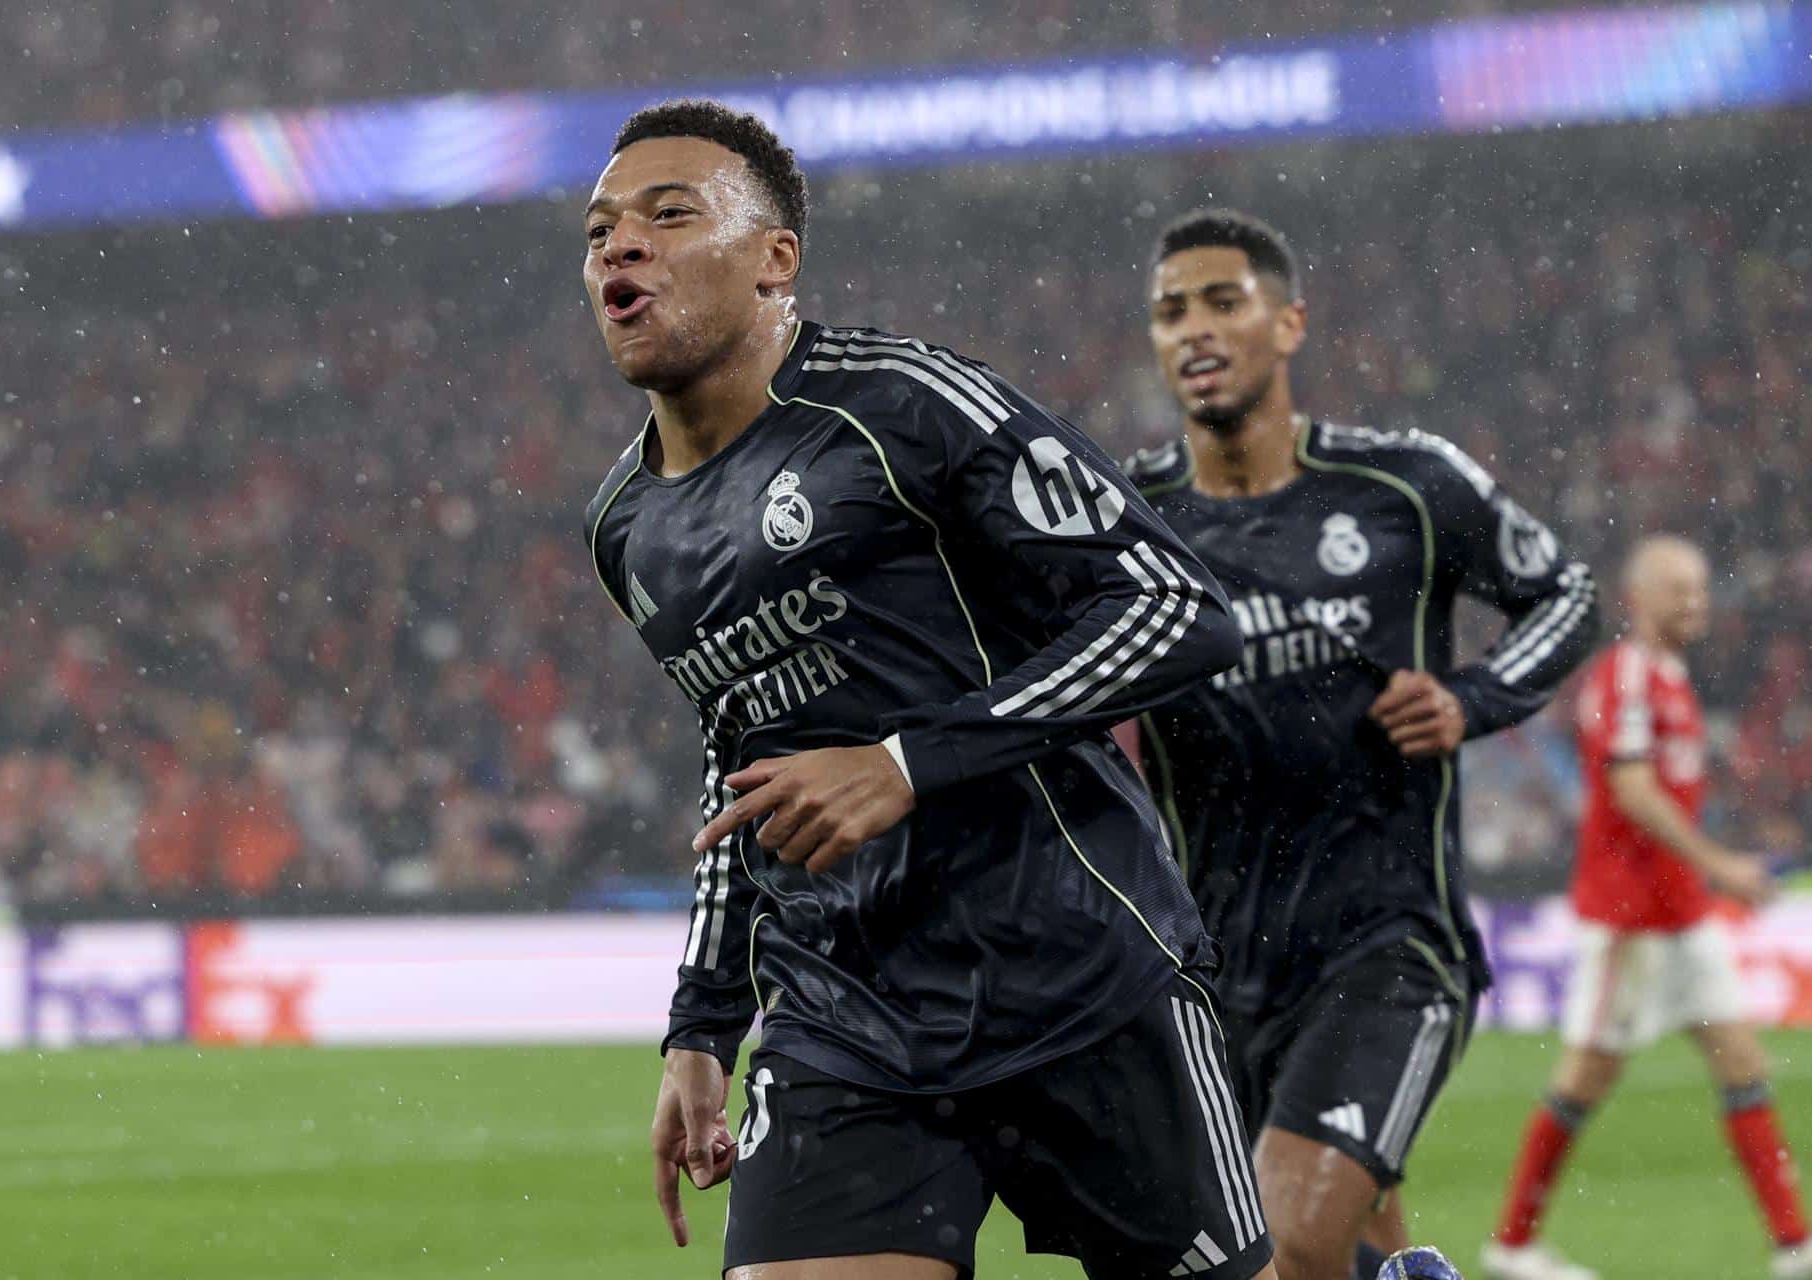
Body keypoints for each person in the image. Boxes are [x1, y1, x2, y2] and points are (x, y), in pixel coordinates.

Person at [580, 101, 1277, 1280]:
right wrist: (700, 1027)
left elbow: (1174, 606)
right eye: (599, 231)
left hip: (1075, 969)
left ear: (774, 261)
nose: (619, 247)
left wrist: (908, 762)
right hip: (842, 1012)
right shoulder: (624, 525)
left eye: (668, 214)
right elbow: (735, 750)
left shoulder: (906, 402)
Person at [1123, 209, 1599, 1280]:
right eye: (1169, 311)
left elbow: (1565, 592)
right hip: (1213, 968)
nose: (1193, 329)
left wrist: (1474, 697)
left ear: (1288, 323)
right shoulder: (1127, 520)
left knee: (1292, 1238)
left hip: (1387, 944)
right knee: (1300, 1258)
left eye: (1222, 300)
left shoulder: (1403, 487)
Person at [1483, 535, 1811, 1280]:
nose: (1695, 602)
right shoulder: (1625, 676)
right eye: (1678, 590)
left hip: (1683, 917)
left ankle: (1795, 1247)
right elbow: (1630, 790)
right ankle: (1513, 1243)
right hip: (1628, 921)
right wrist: (1721, 864)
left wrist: (1705, 877)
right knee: (1583, 1080)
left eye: (1700, 589)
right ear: (1638, 597)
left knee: (1744, 1065)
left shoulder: (1671, 675)